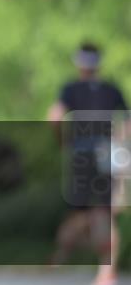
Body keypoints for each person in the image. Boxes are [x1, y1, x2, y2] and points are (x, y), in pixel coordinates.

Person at [48, 42, 129, 285]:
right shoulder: (112, 90)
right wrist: (120, 147)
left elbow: (54, 117)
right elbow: (128, 123)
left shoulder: (71, 89)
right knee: (104, 211)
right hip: (107, 151)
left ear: (79, 63)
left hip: (81, 152)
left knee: (81, 211)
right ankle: (106, 271)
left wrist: (63, 143)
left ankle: (64, 254)